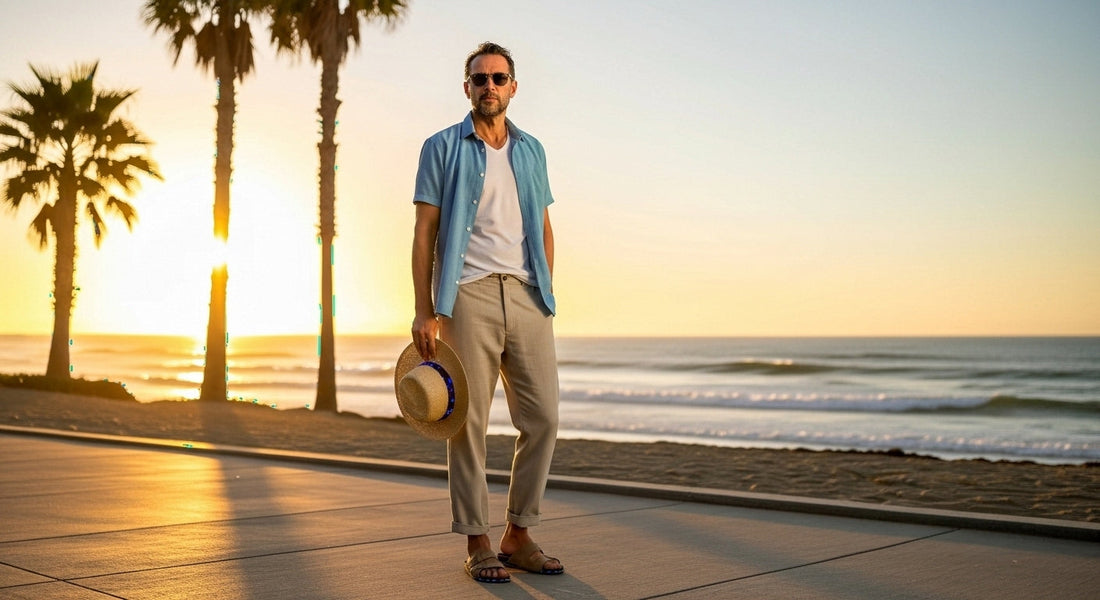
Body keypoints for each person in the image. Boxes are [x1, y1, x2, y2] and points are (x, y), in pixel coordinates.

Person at [409, 41, 563, 584]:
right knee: (467, 423)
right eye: (480, 79)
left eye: (499, 78)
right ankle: (477, 540)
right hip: (467, 295)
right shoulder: (442, 147)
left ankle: (517, 534)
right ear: (467, 87)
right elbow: (425, 231)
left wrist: (545, 287)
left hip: (527, 296)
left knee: (543, 417)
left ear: (513, 87)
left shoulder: (532, 150)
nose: (489, 86)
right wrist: (426, 310)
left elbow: (542, 225)